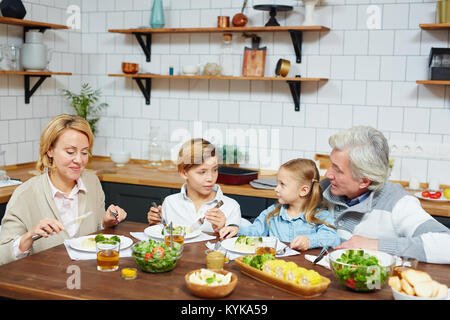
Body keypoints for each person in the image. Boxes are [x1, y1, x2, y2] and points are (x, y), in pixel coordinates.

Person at [0, 114, 127, 266]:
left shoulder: (91, 182)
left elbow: (92, 234)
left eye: (84, 152)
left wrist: (106, 223)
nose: (79, 160)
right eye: (70, 152)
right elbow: (3, 255)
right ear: (49, 150)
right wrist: (29, 236)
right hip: (44, 282)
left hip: (88, 278)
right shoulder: (25, 194)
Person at [321, 126, 450, 263]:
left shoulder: (398, 202)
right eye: (331, 164)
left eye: (337, 170)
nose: (327, 174)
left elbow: (446, 245)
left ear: (364, 181)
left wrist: (376, 245)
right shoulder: (324, 188)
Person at [219, 158, 340, 251]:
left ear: (303, 190)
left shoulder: (320, 216)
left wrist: (310, 241)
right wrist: (236, 229)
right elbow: (255, 231)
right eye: (277, 183)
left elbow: (333, 238)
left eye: (282, 184)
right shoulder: (272, 213)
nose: (276, 189)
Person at [147, 138, 242, 233]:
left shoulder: (231, 207)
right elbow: (163, 239)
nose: (210, 178)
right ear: (184, 173)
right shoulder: (170, 203)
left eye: (215, 170)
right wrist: (155, 224)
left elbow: (233, 245)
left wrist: (222, 229)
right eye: (202, 172)